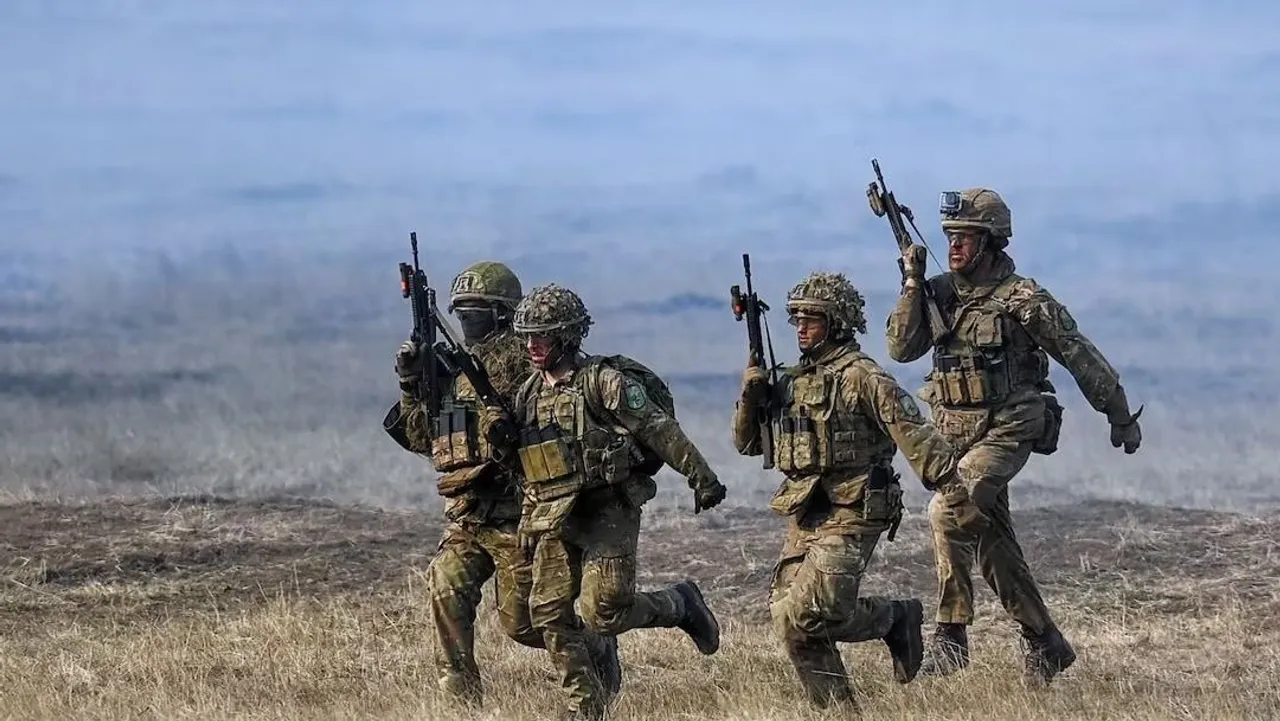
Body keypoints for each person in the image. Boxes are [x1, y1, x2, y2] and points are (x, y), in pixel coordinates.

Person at [885, 188, 1143, 686]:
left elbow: (1077, 353)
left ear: (990, 241)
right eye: (950, 236)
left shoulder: (1022, 298)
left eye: (966, 237)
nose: (954, 245)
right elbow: (900, 347)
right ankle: (1045, 641)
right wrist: (912, 283)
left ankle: (951, 635)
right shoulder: (939, 293)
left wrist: (1119, 414)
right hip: (956, 436)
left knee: (948, 508)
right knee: (992, 542)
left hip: (1010, 425)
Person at [385, 262, 620, 707]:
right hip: (470, 514)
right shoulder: (456, 368)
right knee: (445, 587)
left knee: (525, 623)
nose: (467, 324)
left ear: (502, 314)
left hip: (516, 514)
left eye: (475, 315)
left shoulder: (525, 365)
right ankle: (461, 702)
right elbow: (422, 438)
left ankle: (597, 643)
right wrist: (413, 383)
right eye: (461, 315)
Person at [498, 282, 728, 720]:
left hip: (607, 509)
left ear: (567, 336)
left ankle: (680, 604)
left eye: (541, 336)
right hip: (556, 515)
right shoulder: (529, 394)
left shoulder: (604, 383)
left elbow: (660, 430)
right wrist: (529, 517)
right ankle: (585, 706)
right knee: (547, 613)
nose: (531, 346)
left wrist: (702, 477)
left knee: (604, 613)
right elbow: (531, 465)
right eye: (527, 337)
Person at [731, 270, 961, 709]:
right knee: (788, 617)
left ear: (836, 322)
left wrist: (951, 487)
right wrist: (751, 395)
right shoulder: (791, 381)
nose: (801, 328)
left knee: (810, 611)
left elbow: (912, 429)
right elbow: (746, 444)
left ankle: (894, 619)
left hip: (856, 506)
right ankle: (841, 705)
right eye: (797, 319)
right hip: (808, 509)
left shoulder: (862, 377)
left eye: (812, 320)